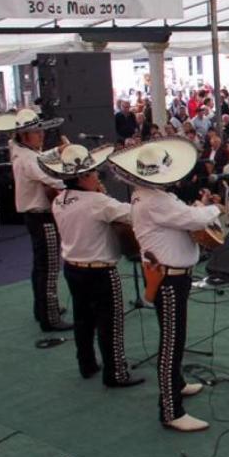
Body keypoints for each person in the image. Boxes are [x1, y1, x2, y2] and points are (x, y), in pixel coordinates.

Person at [108, 137, 222, 433]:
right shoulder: (156, 200)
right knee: (172, 342)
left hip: (169, 274)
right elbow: (193, 218)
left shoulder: (145, 194)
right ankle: (171, 410)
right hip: (169, 278)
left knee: (173, 337)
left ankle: (178, 384)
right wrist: (213, 209)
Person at [39, 144, 143, 388]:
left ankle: (86, 363)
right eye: (94, 172)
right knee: (111, 322)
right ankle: (115, 372)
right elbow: (133, 214)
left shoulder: (59, 201)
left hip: (73, 267)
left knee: (83, 319)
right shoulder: (98, 202)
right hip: (100, 270)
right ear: (83, 176)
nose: (98, 175)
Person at [0, 109, 71, 332]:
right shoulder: (27, 158)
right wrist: (78, 176)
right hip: (41, 215)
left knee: (42, 266)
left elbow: (43, 158)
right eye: (36, 132)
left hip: (35, 216)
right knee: (49, 267)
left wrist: (58, 151)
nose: (41, 136)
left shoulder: (22, 151)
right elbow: (50, 177)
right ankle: (50, 317)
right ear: (24, 135)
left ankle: (43, 308)